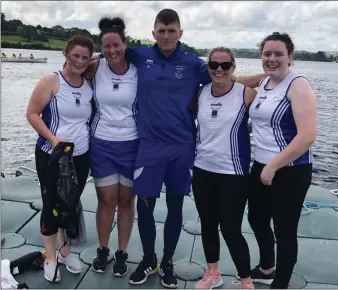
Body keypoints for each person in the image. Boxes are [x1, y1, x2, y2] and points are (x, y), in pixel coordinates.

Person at [93, 9, 265, 288]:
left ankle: (168, 261)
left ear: (180, 33)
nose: (166, 36)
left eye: (171, 31)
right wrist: (73, 65)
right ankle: (149, 259)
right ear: (153, 33)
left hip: (182, 148)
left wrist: (267, 77)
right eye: (161, 30)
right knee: (145, 207)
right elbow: (107, 56)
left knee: (175, 207)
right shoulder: (140, 55)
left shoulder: (194, 64)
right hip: (148, 146)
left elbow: (224, 78)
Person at [246, 32, 317, 289]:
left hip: (290, 170)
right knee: (256, 219)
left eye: (278, 54)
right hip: (261, 165)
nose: (272, 59)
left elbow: (307, 135)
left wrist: (274, 166)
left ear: (290, 57)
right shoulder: (266, 83)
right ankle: (267, 267)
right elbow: (264, 122)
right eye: (267, 54)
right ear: (261, 56)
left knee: (285, 231)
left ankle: (281, 283)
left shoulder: (297, 84)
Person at [26, 35, 94, 282]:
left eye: (85, 57)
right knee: (52, 203)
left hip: (80, 155)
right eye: (75, 55)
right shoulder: (51, 81)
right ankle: (51, 257)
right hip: (51, 155)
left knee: (70, 203)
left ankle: (66, 252)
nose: (80, 61)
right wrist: (53, 139)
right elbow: (32, 114)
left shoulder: (88, 84)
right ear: (65, 54)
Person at [192, 47, 256, 290]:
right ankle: (213, 273)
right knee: (208, 224)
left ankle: (246, 279)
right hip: (202, 169)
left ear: (233, 67)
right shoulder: (200, 92)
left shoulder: (247, 94)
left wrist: (235, 79)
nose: (219, 69)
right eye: (214, 65)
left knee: (230, 229)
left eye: (225, 65)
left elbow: (272, 80)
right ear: (208, 67)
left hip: (234, 172)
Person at [83, 16, 138, 276]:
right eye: (106, 46)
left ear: (125, 44)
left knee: (126, 201)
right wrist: (95, 57)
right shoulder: (96, 67)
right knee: (106, 200)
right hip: (102, 142)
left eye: (116, 45)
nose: (112, 51)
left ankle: (122, 252)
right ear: (101, 48)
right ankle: (103, 249)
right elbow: (70, 67)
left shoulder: (138, 70)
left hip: (132, 143)